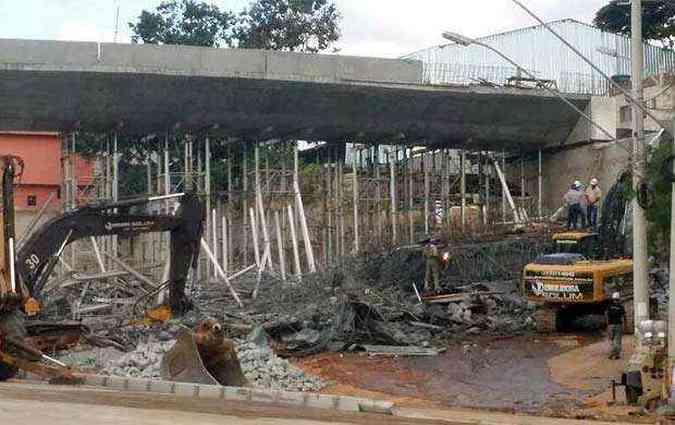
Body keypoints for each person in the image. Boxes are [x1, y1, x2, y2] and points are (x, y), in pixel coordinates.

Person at [606, 292, 625, 360]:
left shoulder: (609, 306)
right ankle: (616, 354)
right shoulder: (621, 307)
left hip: (611, 325)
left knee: (611, 340)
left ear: (613, 298)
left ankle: (612, 353)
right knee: (617, 340)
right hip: (618, 325)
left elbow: (607, 315)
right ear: (619, 299)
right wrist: (625, 326)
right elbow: (623, 317)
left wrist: (607, 325)